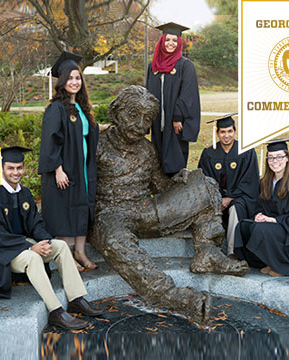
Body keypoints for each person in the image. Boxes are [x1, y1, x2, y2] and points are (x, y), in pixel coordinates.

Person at [89, 86, 249, 324]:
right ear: (115, 112)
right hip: (111, 215)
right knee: (113, 240)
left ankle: (207, 251)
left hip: (146, 210)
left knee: (203, 183)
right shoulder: (97, 144)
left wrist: (178, 181)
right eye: (133, 116)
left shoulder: (146, 149)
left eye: (147, 119)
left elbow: (158, 185)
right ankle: (168, 294)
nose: (140, 125)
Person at [0, 146, 102, 329]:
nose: (16, 172)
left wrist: (45, 241)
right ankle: (55, 312)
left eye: (19, 167)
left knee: (59, 245)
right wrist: (29, 248)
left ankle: (76, 298)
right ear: (1, 168)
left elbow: (35, 223)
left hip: (22, 245)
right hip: (3, 253)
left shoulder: (24, 192)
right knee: (33, 257)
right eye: (11, 168)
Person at [39, 51, 101, 271]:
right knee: (65, 209)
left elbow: (87, 133)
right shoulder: (56, 108)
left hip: (82, 169)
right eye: (70, 78)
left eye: (78, 78)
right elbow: (50, 140)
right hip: (65, 168)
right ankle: (67, 257)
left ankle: (81, 253)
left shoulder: (82, 108)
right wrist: (58, 169)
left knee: (81, 208)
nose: (74, 82)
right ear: (62, 81)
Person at [234, 138, 289, 276]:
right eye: (271, 158)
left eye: (279, 157)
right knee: (244, 226)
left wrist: (276, 220)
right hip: (271, 226)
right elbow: (258, 205)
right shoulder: (265, 182)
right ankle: (265, 262)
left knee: (261, 229)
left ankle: (282, 266)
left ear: (287, 158)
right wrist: (259, 215)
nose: (275, 161)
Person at [198, 114, 260, 259]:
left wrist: (229, 198)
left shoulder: (247, 152)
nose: (226, 136)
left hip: (240, 196)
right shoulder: (209, 153)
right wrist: (218, 198)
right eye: (223, 132)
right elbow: (204, 179)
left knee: (236, 208)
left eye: (230, 131)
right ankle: (209, 251)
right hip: (216, 197)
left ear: (235, 131)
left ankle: (232, 252)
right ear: (217, 133)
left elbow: (250, 181)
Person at [146, 22, 201, 176]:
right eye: (168, 40)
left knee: (175, 163)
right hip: (158, 122)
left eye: (174, 41)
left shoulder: (185, 66)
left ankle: (176, 194)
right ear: (162, 41)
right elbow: (148, 93)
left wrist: (177, 116)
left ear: (179, 44)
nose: (171, 43)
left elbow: (187, 94)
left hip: (175, 124)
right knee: (157, 161)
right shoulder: (153, 67)